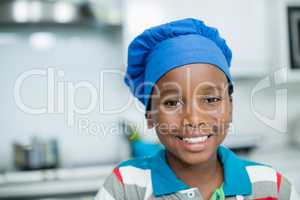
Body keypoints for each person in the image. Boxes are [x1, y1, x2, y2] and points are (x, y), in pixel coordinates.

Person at [95, 18, 299, 200]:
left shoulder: (271, 186)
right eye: (172, 103)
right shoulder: (125, 187)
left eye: (211, 99)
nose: (193, 119)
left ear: (230, 107)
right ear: (150, 114)